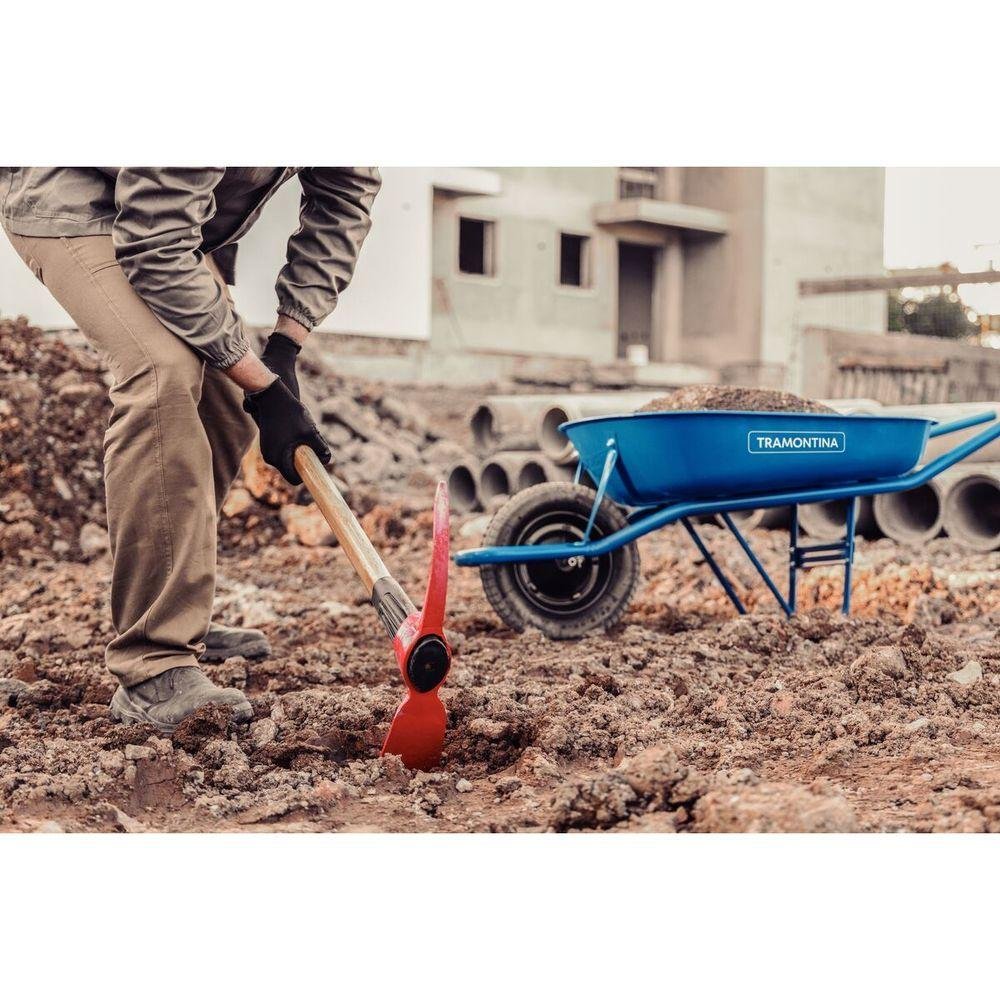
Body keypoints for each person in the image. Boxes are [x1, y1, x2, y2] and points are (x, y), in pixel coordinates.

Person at [0, 167, 380, 730]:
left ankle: (176, 608)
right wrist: (265, 387)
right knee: (162, 374)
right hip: (73, 191)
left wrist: (285, 347)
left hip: (168, 216)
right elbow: (154, 244)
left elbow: (344, 198)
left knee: (227, 403)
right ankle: (154, 662)